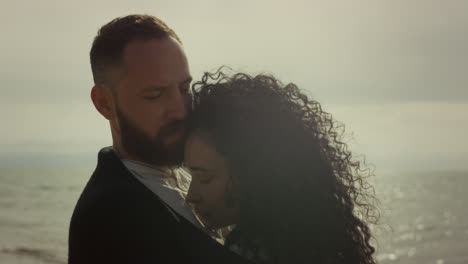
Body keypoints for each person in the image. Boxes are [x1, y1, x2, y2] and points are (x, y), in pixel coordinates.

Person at [68, 15, 251, 264]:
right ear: (104, 103)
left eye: (184, 89)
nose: (180, 110)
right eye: (155, 95)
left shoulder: (197, 168)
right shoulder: (110, 216)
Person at [184, 69, 379, 264]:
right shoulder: (320, 243)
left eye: (204, 178)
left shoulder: (249, 252)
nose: (190, 195)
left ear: (253, 174)